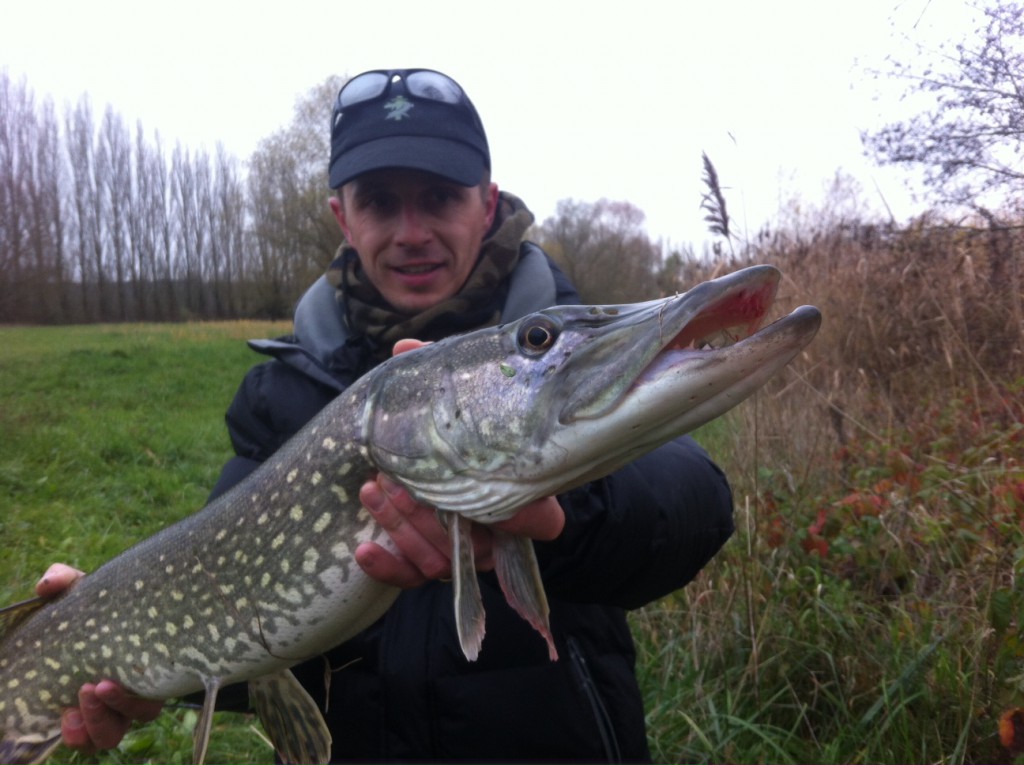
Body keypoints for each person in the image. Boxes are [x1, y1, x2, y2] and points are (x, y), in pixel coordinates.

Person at [43, 68, 735, 762]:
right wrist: (127, 668)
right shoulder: (279, 398)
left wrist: (563, 516)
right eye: (380, 201)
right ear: (344, 217)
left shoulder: (549, 354)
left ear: (486, 204)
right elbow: (241, 630)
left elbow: (695, 500)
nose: (412, 232)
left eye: (439, 197)